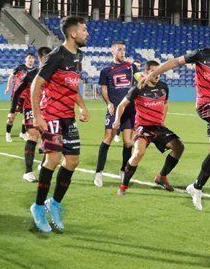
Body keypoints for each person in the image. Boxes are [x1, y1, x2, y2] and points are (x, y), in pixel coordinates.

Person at [140, 22, 210, 210]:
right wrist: (152, 74)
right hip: (205, 105)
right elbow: (173, 62)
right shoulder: (202, 54)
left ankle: (196, 187)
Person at [29, 16, 90, 233]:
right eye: (84, 30)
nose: (87, 33)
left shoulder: (79, 56)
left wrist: (82, 106)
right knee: (53, 158)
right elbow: (37, 84)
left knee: (73, 161)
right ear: (72, 33)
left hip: (67, 116)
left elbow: (72, 87)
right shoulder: (56, 56)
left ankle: (54, 203)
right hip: (51, 114)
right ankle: (37, 206)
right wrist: (37, 116)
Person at [113, 60, 185, 195]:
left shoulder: (164, 87)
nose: (157, 74)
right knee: (138, 153)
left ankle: (161, 177)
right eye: (153, 71)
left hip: (158, 127)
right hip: (143, 127)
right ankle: (123, 186)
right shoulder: (138, 88)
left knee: (179, 147)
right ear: (146, 72)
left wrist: (162, 120)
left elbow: (165, 103)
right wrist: (117, 120)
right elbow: (122, 105)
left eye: (159, 71)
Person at [93, 42, 139, 187]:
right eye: (119, 50)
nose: (122, 52)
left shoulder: (132, 67)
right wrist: (108, 103)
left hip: (130, 110)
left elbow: (140, 83)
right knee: (108, 138)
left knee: (128, 142)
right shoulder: (106, 70)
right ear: (112, 51)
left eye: (124, 50)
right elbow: (104, 90)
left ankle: (123, 171)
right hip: (114, 110)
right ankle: (98, 173)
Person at [14, 47, 52, 182]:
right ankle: (28, 172)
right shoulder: (32, 74)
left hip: (46, 109)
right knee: (33, 135)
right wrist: (14, 108)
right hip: (30, 107)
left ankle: (43, 164)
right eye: (48, 58)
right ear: (41, 59)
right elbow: (18, 91)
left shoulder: (53, 74)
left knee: (48, 137)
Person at [5, 52, 36, 142]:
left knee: (26, 117)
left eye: (32, 58)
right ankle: (8, 134)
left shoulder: (35, 70)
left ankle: (22, 133)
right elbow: (11, 76)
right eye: (29, 57)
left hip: (28, 97)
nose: (31, 59)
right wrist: (8, 87)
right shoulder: (20, 68)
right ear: (25, 59)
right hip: (18, 96)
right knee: (12, 116)